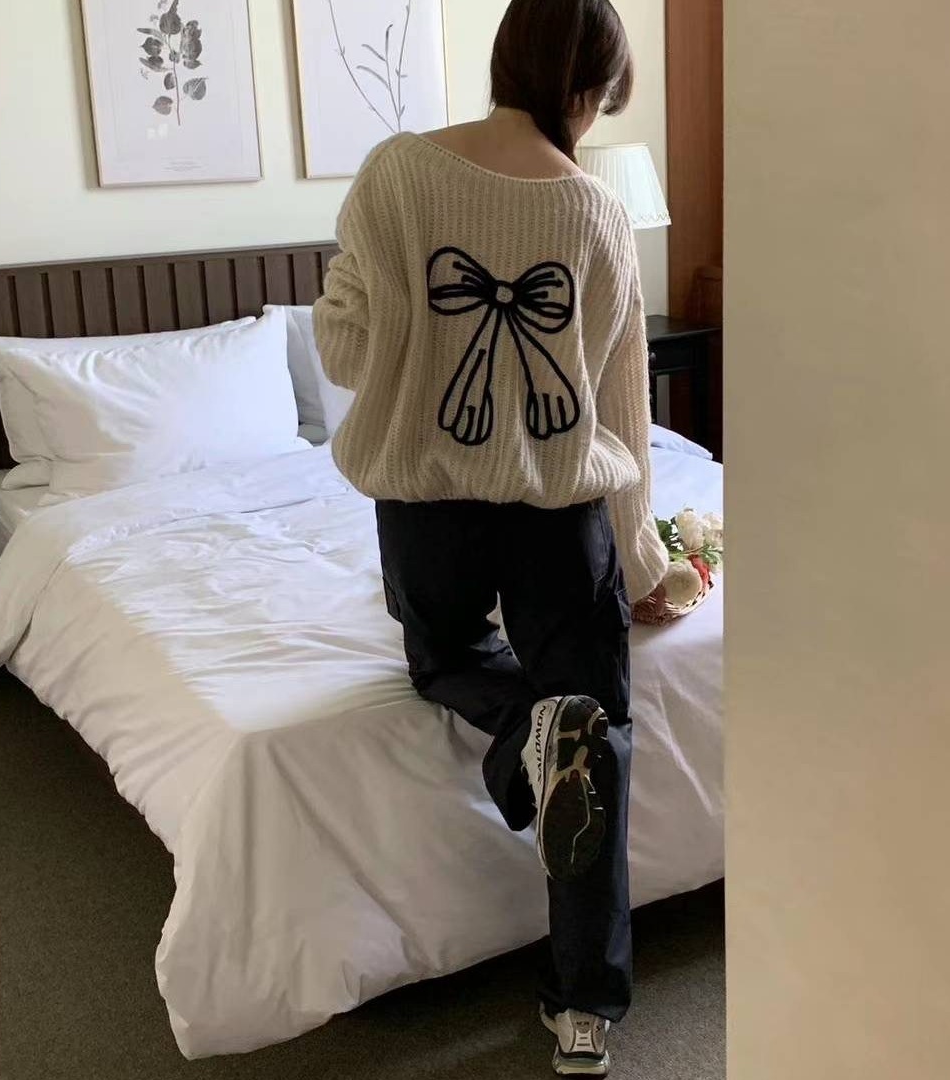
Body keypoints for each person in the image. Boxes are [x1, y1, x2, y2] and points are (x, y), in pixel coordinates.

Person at [314, 0, 668, 1074]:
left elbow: (342, 352)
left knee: (447, 659)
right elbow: (622, 409)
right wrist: (642, 559)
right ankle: (583, 1012)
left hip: (429, 512)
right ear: (584, 90)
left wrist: (414, 329)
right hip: (560, 518)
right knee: (597, 725)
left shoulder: (395, 173)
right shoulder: (595, 213)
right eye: (603, 100)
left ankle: (525, 731)